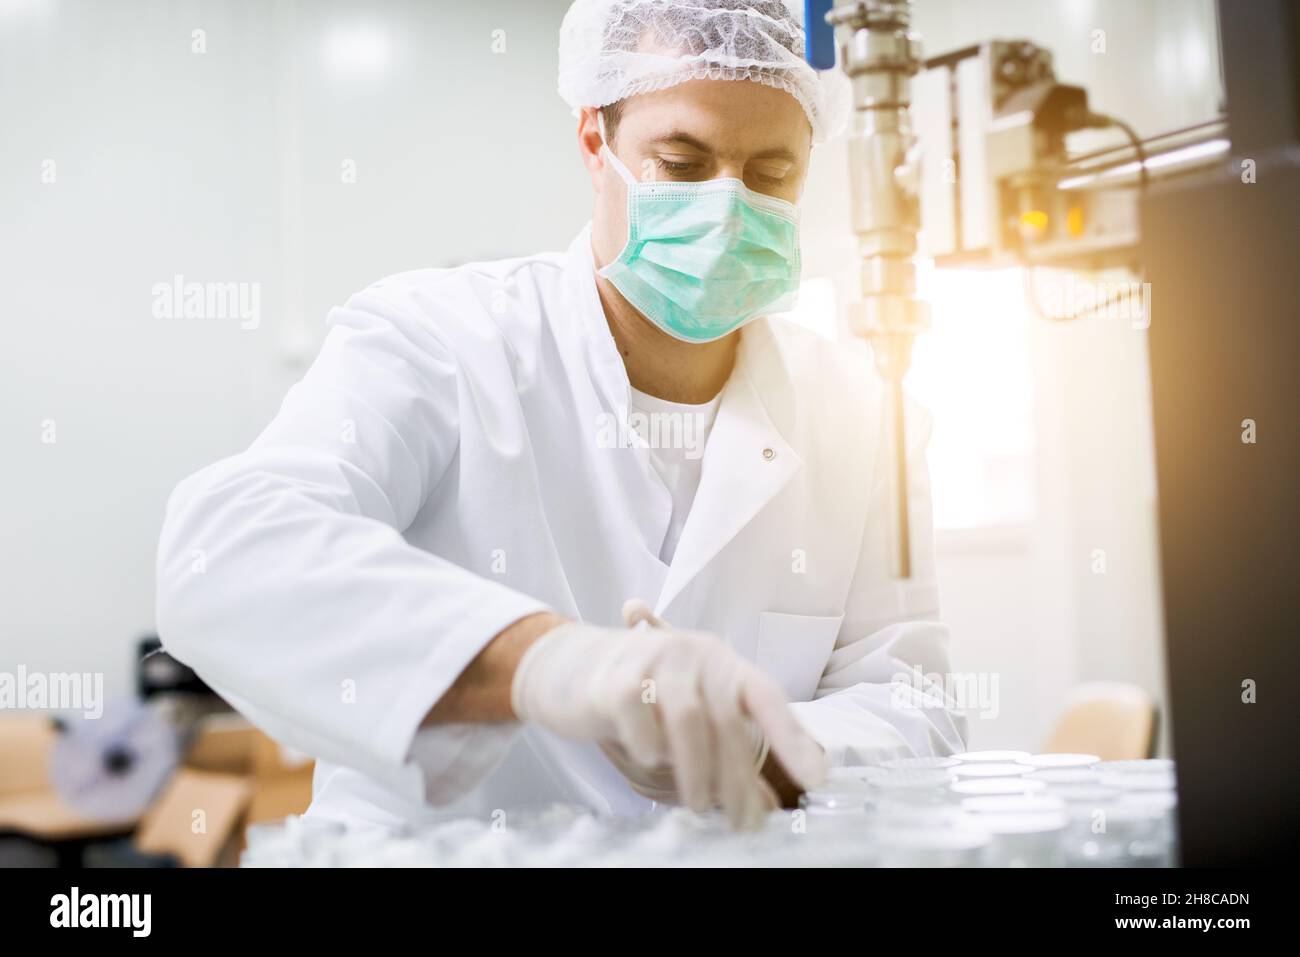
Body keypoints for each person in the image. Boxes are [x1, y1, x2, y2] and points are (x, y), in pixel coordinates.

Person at [156, 0, 967, 833]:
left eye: (769, 176)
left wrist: (764, 744)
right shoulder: (442, 340)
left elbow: (917, 705)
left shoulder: (864, 413)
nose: (728, 212)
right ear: (594, 142)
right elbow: (226, 548)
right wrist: (551, 662)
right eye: (682, 164)